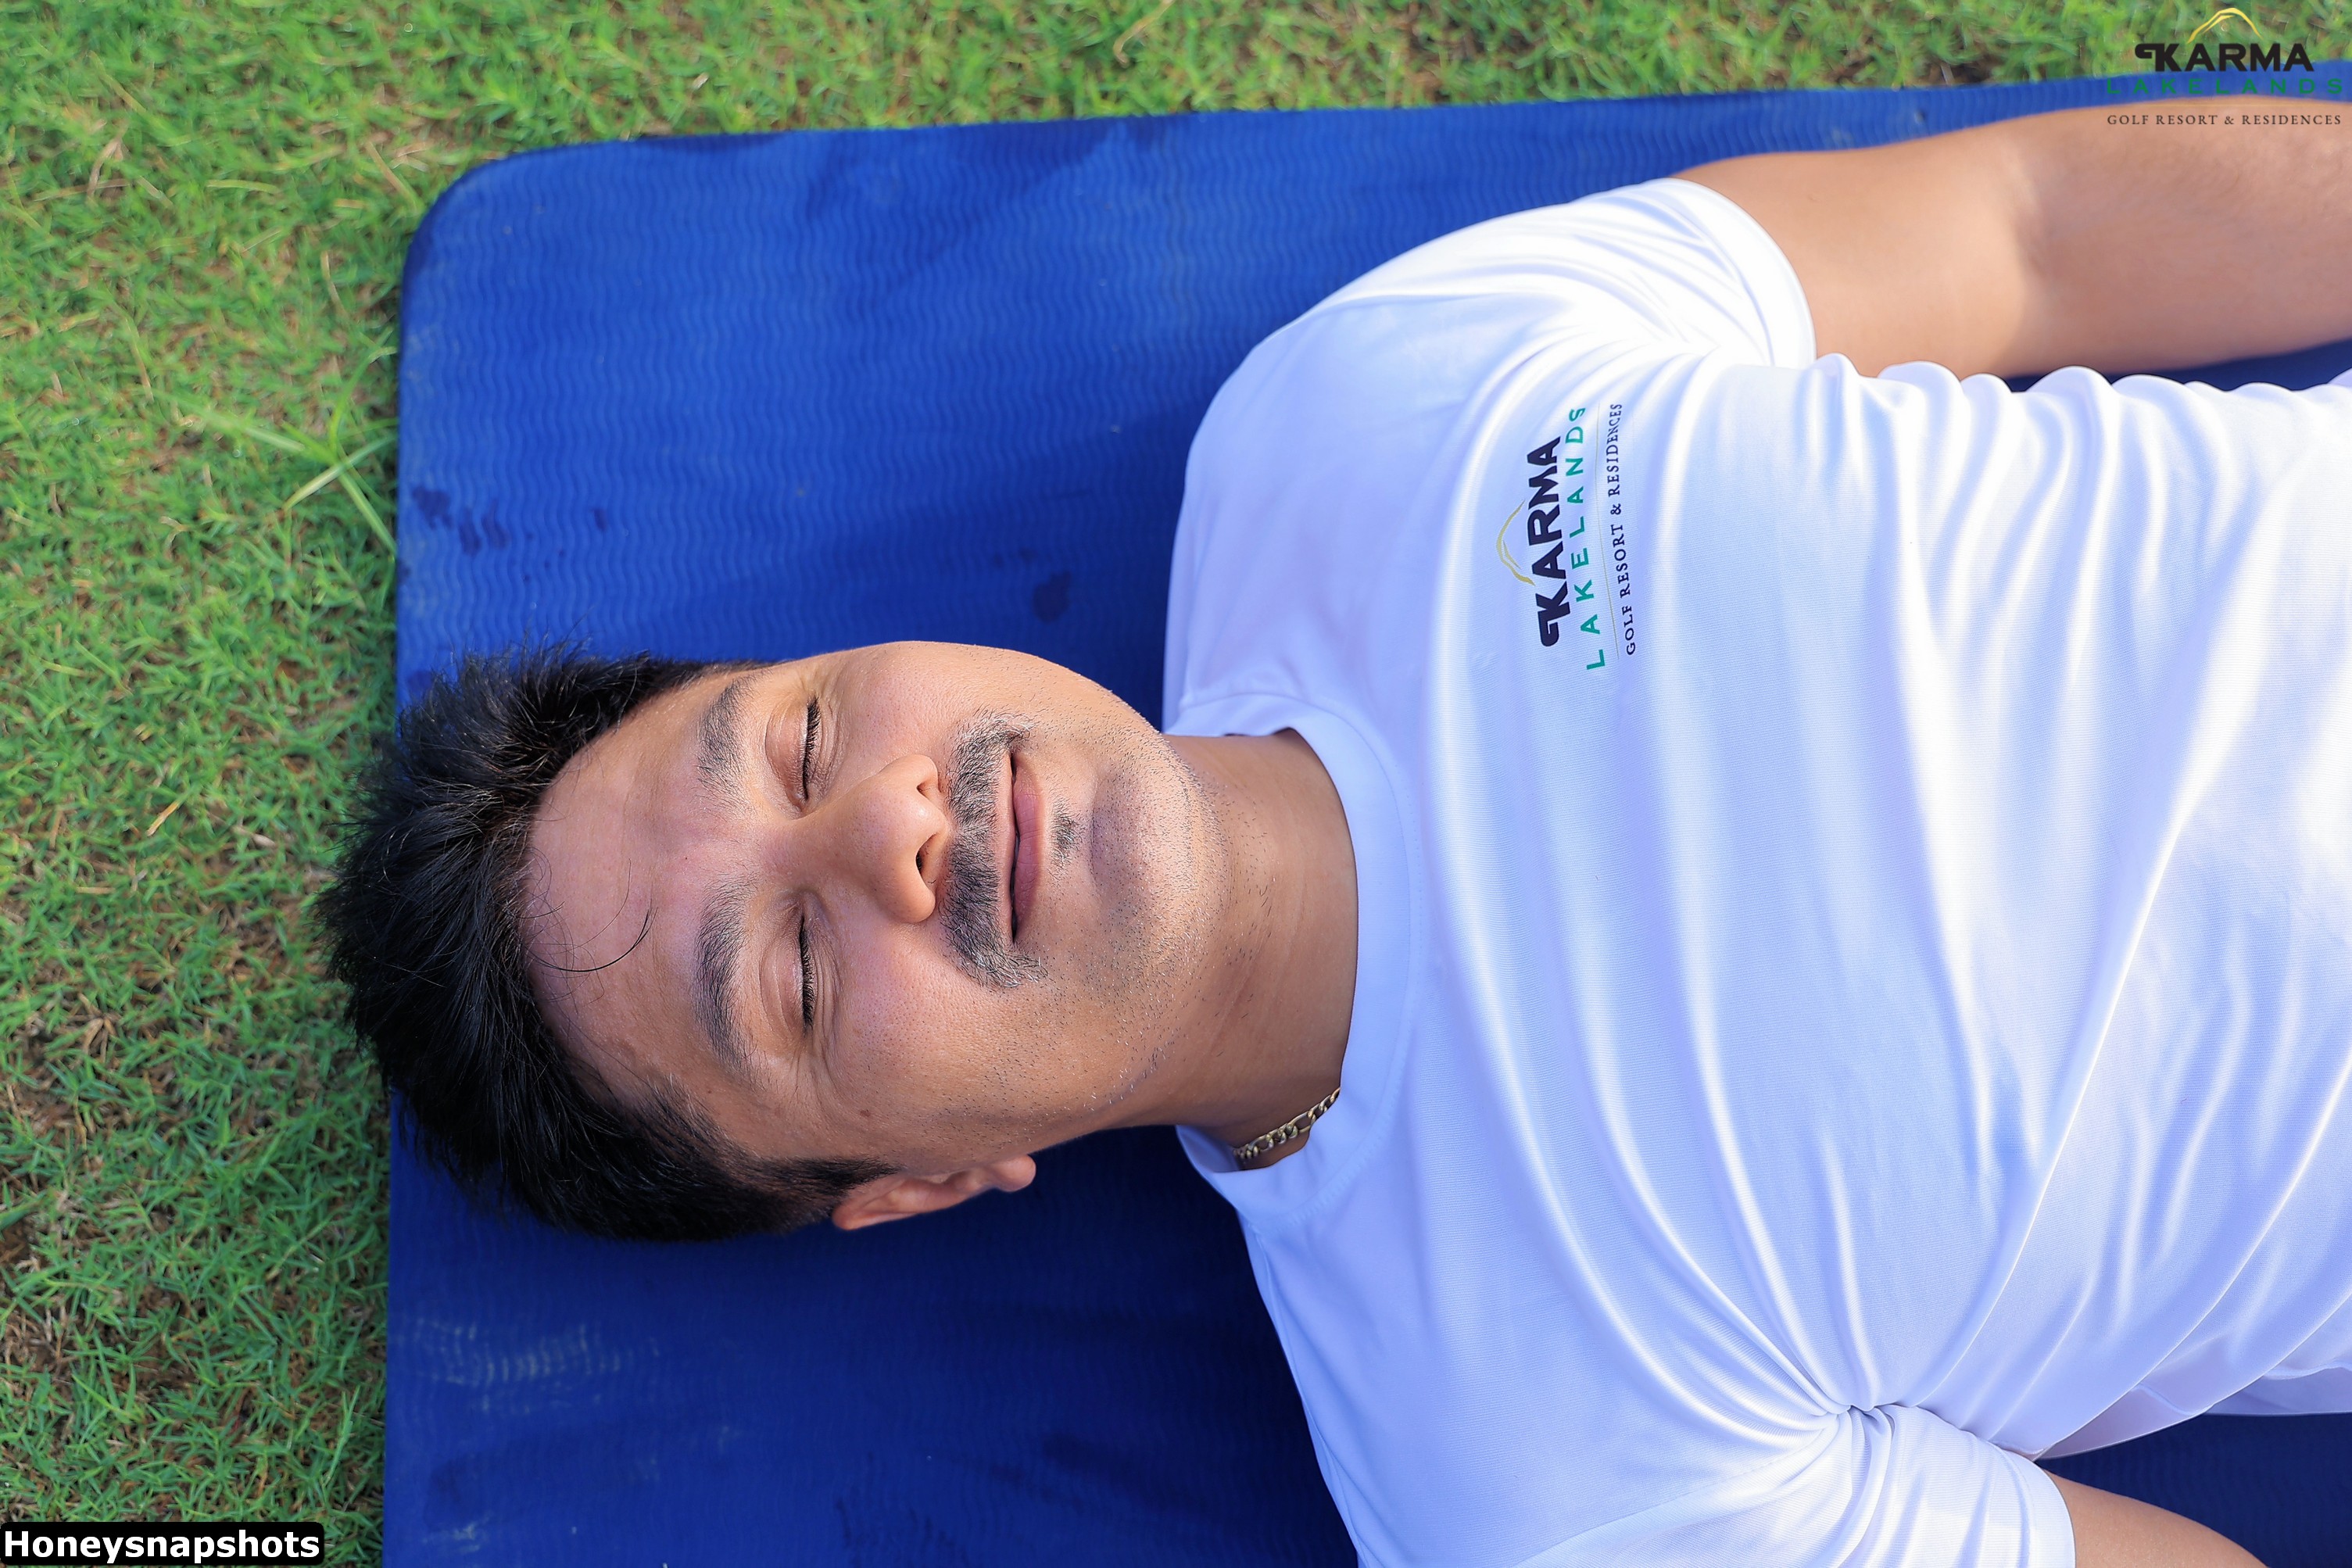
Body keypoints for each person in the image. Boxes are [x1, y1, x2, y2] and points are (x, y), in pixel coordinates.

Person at [327, 105, 2352, 1565]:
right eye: (787, 974)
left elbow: (2030, 224)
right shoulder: (1524, 1471)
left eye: (796, 742)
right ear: (916, 1185)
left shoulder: (1359, 416)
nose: (885, 832)